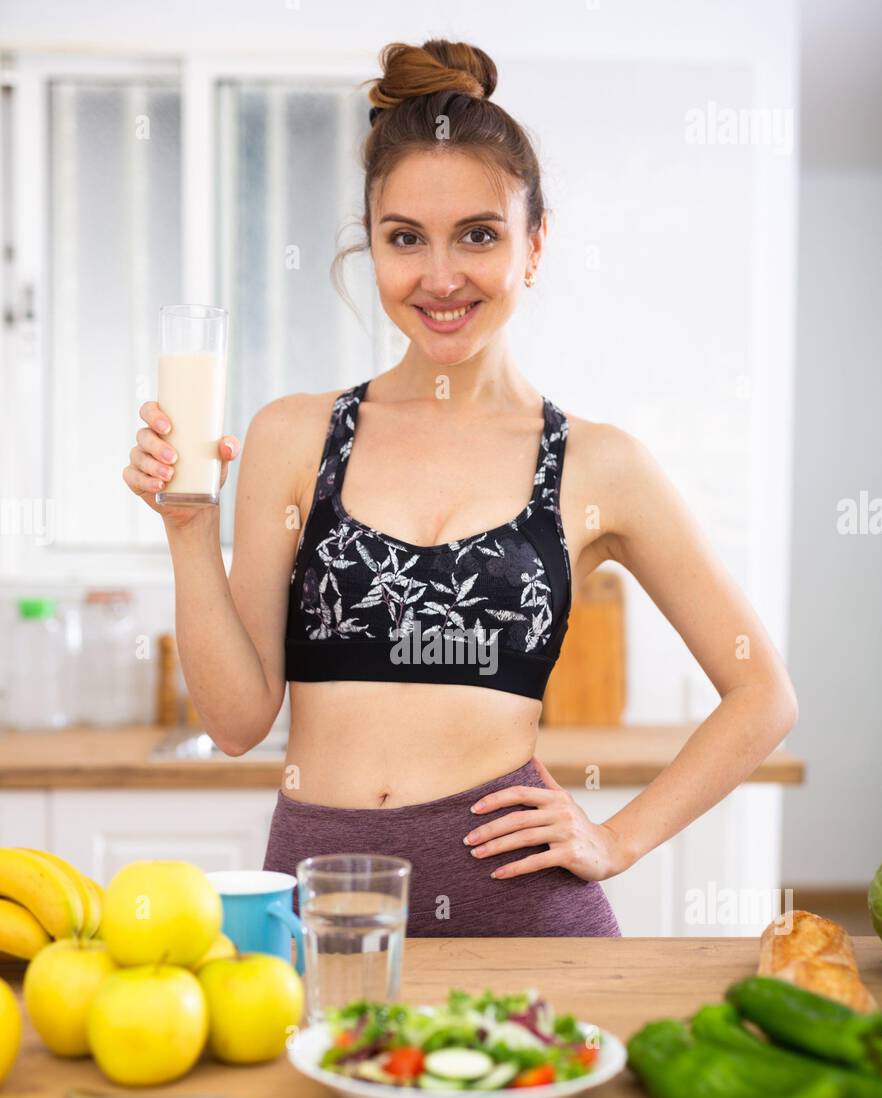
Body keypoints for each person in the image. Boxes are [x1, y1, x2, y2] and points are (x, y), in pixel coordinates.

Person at [124, 38, 798, 939]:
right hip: (328, 906)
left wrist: (618, 838)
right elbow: (241, 720)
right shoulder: (297, 436)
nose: (441, 278)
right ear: (372, 247)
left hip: (523, 910)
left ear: (534, 245)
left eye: (478, 234)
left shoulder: (601, 464)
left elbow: (764, 696)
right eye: (406, 238)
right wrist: (186, 531)